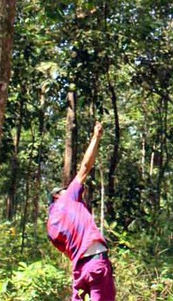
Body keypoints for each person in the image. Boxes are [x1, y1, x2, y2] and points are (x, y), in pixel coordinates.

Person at [47, 120, 116, 301]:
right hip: (95, 263)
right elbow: (85, 167)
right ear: (57, 196)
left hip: (79, 270)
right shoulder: (67, 197)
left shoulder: (51, 227)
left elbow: (65, 251)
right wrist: (96, 137)